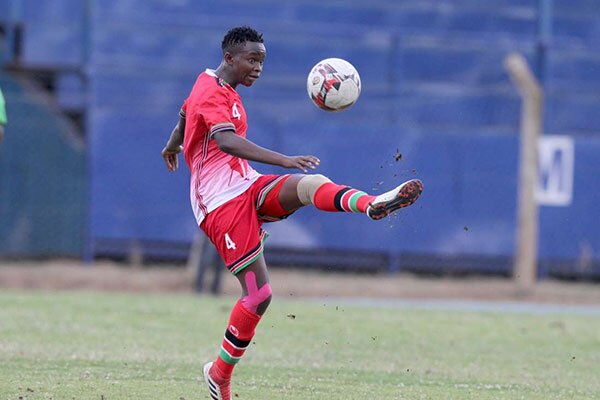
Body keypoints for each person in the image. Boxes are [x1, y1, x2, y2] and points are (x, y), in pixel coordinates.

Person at [161, 26, 423, 400]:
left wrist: (171, 146)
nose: (258, 68)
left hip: (246, 186)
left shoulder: (212, 86)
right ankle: (219, 374)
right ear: (230, 58)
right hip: (218, 205)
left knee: (308, 185)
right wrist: (284, 159)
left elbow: (186, 113)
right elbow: (224, 140)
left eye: (262, 61)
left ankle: (372, 204)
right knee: (258, 295)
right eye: (252, 60)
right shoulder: (213, 92)